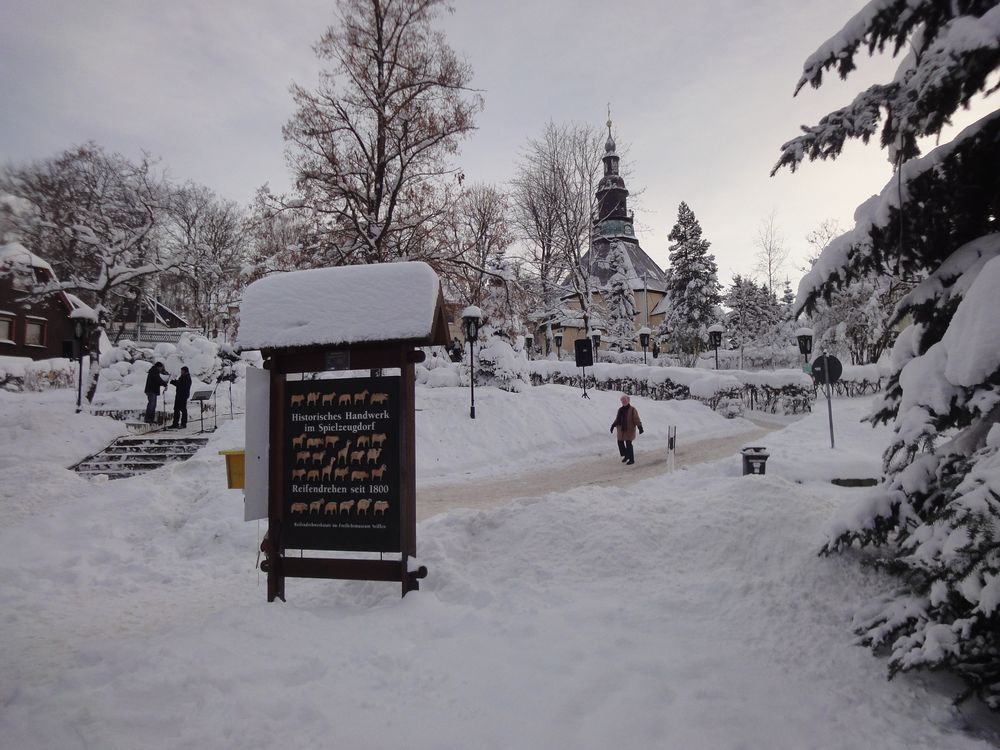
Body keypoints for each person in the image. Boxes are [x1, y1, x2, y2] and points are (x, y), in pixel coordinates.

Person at [610, 394, 643, 465]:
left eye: (625, 400)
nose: (623, 402)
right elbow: (617, 419)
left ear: (628, 401)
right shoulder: (620, 409)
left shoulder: (632, 409)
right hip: (621, 430)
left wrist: (640, 427)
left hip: (629, 430)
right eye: (622, 401)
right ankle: (626, 455)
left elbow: (636, 419)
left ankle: (631, 459)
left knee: (628, 444)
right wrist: (613, 425)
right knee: (620, 442)